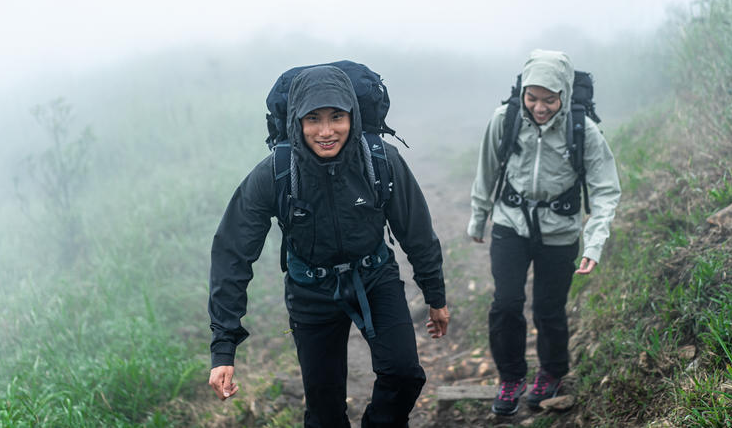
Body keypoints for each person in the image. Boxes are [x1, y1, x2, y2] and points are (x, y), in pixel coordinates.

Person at [208, 65, 450, 428]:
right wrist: (223, 348)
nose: (325, 131)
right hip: (310, 291)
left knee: (404, 375)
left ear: (352, 114)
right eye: (313, 119)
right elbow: (232, 254)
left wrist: (436, 295)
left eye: (337, 117)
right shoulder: (275, 173)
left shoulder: (380, 161)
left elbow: (416, 230)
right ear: (296, 122)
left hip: (375, 277)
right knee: (324, 411)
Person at [467, 49, 620, 414]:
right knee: (505, 304)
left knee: (549, 309)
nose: (539, 107)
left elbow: (606, 189)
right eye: (532, 98)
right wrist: (478, 217)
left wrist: (594, 244)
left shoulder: (584, 130)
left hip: (560, 231)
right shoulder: (505, 119)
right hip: (510, 223)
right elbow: (487, 169)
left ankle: (551, 372)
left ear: (564, 94)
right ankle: (511, 378)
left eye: (549, 100)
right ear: (522, 91)